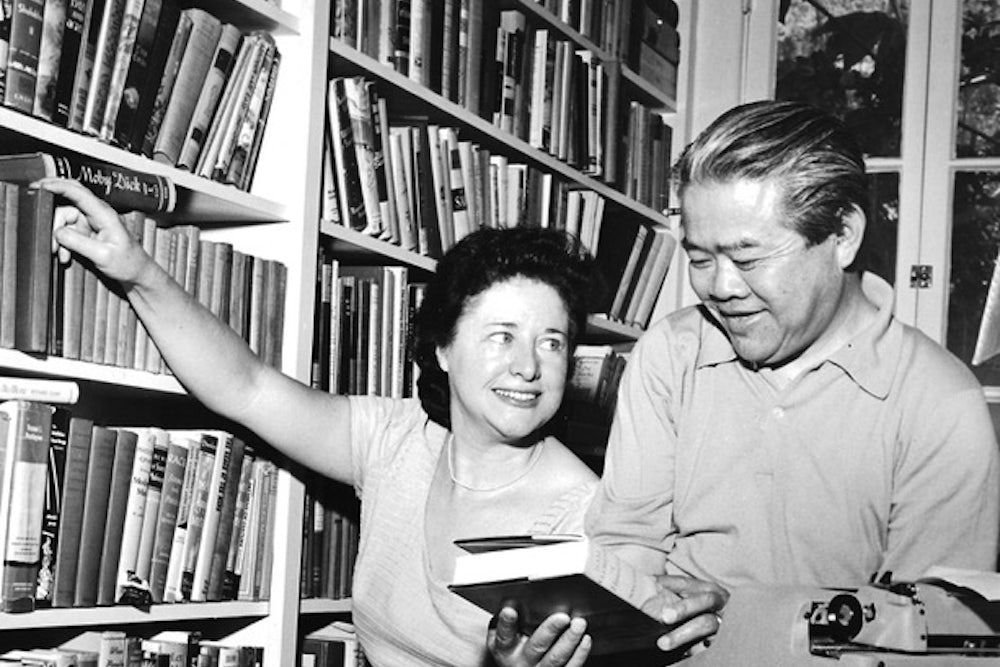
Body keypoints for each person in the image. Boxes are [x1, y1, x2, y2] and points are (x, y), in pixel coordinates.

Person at [42, 179, 721, 666]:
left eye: (551, 340)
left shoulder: (583, 519)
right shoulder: (395, 439)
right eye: (501, 335)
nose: (528, 366)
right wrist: (136, 272)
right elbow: (244, 386)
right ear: (442, 347)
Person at [584, 99, 1000, 609]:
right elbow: (628, 549)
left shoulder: (940, 403)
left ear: (842, 235)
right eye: (699, 258)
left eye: (748, 257)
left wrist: (740, 623)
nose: (721, 287)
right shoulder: (670, 354)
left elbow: (930, 630)